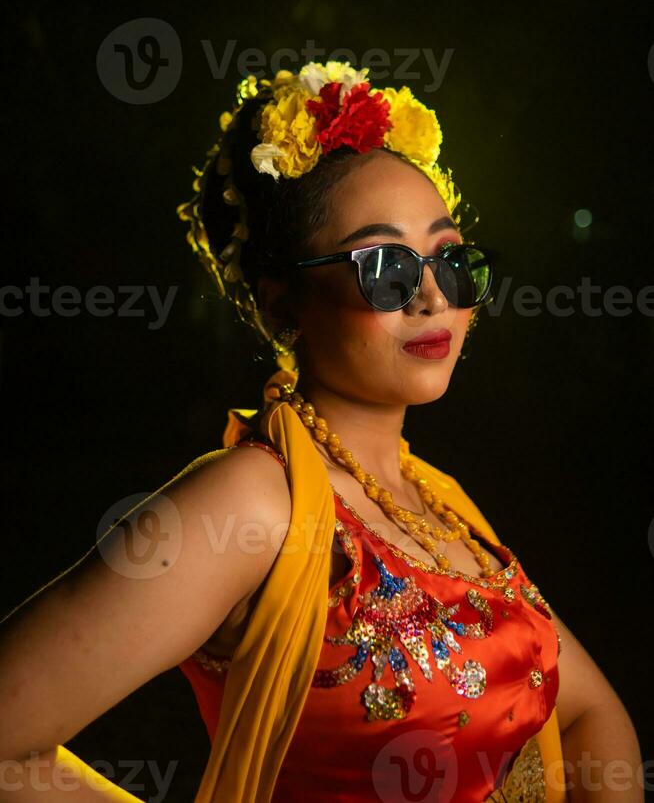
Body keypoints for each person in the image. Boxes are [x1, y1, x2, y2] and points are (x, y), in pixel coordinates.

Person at [0, 62, 642, 803]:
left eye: (450, 261)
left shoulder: (434, 500)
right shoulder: (252, 501)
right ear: (283, 305)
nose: (433, 296)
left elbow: (593, 713)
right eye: (386, 268)